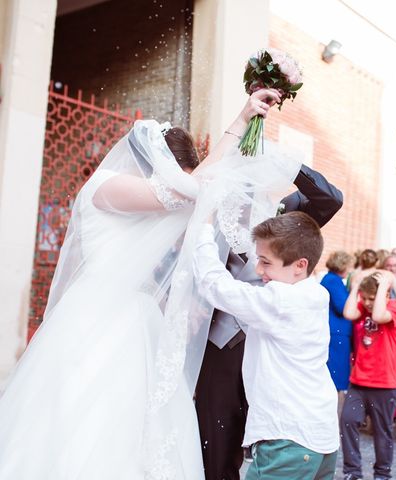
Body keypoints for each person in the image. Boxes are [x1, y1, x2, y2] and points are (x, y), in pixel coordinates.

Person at [0, 88, 286, 479]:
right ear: (155, 164)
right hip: (95, 318)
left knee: (137, 420)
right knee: (85, 415)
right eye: (173, 173)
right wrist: (238, 130)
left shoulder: (147, 196)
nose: (177, 181)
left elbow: (191, 189)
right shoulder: (106, 186)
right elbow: (191, 191)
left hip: (134, 319)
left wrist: (241, 124)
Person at [195, 154, 343, 478]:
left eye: (266, 262)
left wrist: (202, 229)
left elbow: (214, 284)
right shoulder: (316, 292)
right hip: (321, 435)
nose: (259, 270)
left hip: (287, 441)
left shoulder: (278, 297)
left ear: (299, 264)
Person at [341, 272, 396, 480]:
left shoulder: (394, 307)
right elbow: (349, 313)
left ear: (384, 294)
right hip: (359, 381)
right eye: (364, 297)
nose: (367, 303)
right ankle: (352, 471)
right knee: (348, 421)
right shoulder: (362, 307)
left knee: (382, 431)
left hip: (385, 383)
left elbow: (379, 316)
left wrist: (385, 284)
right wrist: (356, 285)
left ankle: (382, 473)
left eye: (371, 298)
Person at [320, 251, 354, 408]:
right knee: (337, 377)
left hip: (337, 333)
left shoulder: (332, 279)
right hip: (337, 334)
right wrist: (354, 289)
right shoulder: (333, 281)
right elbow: (343, 307)